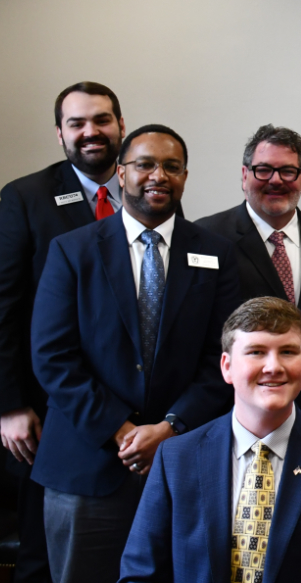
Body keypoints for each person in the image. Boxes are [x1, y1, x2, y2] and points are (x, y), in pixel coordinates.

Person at [30, 124, 240, 583]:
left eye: (172, 166)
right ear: (121, 173)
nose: (158, 175)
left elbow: (223, 359)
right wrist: (123, 431)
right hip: (87, 468)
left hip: (185, 462)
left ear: (185, 177)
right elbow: (52, 357)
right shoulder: (72, 250)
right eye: (145, 164)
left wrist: (169, 428)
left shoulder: (216, 253)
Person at [117, 297, 301, 583]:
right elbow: (140, 575)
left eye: (287, 352)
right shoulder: (175, 459)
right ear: (226, 367)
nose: (273, 366)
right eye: (256, 352)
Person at [0, 81, 125, 583]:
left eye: (101, 120)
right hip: (45, 409)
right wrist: (9, 404)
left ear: (120, 125)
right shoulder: (25, 197)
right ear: (60, 134)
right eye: (77, 123)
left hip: (129, 405)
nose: (91, 132)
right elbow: (5, 306)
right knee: (44, 553)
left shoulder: (147, 191)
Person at [196, 124, 301, 414]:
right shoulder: (206, 237)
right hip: (233, 405)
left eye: (287, 171)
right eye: (264, 170)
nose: (276, 180)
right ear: (244, 175)